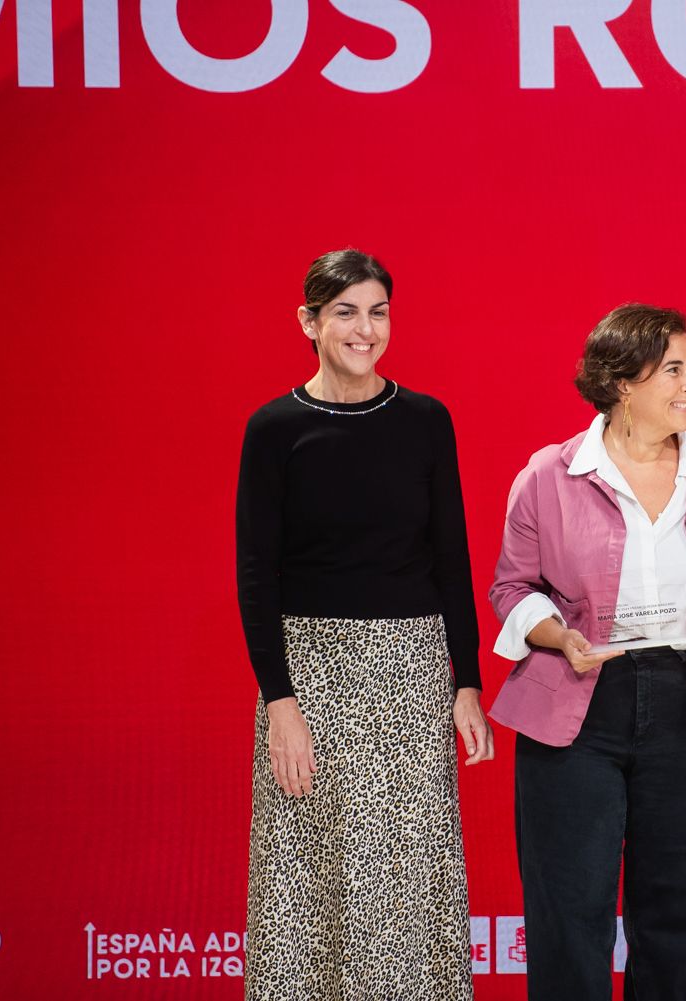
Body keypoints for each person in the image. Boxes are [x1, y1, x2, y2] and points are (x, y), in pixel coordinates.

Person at [487, 303, 686, 1000]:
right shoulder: (548, 476)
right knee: (568, 916)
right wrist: (561, 636)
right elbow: (512, 588)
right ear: (623, 382)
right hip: (578, 710)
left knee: (679, 919)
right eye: (674, 369)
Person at [235, 248, 493, 1000]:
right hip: (308, 676)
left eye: (377, 311)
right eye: (345, 311)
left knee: (408, 872)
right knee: (306, 871)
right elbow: (257, 574)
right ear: (309, 322)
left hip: (411, 673)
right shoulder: (274, 427)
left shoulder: (425, 420)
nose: (365, 328)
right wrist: (279, 702)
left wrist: (466, 679)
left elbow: (451, 556)